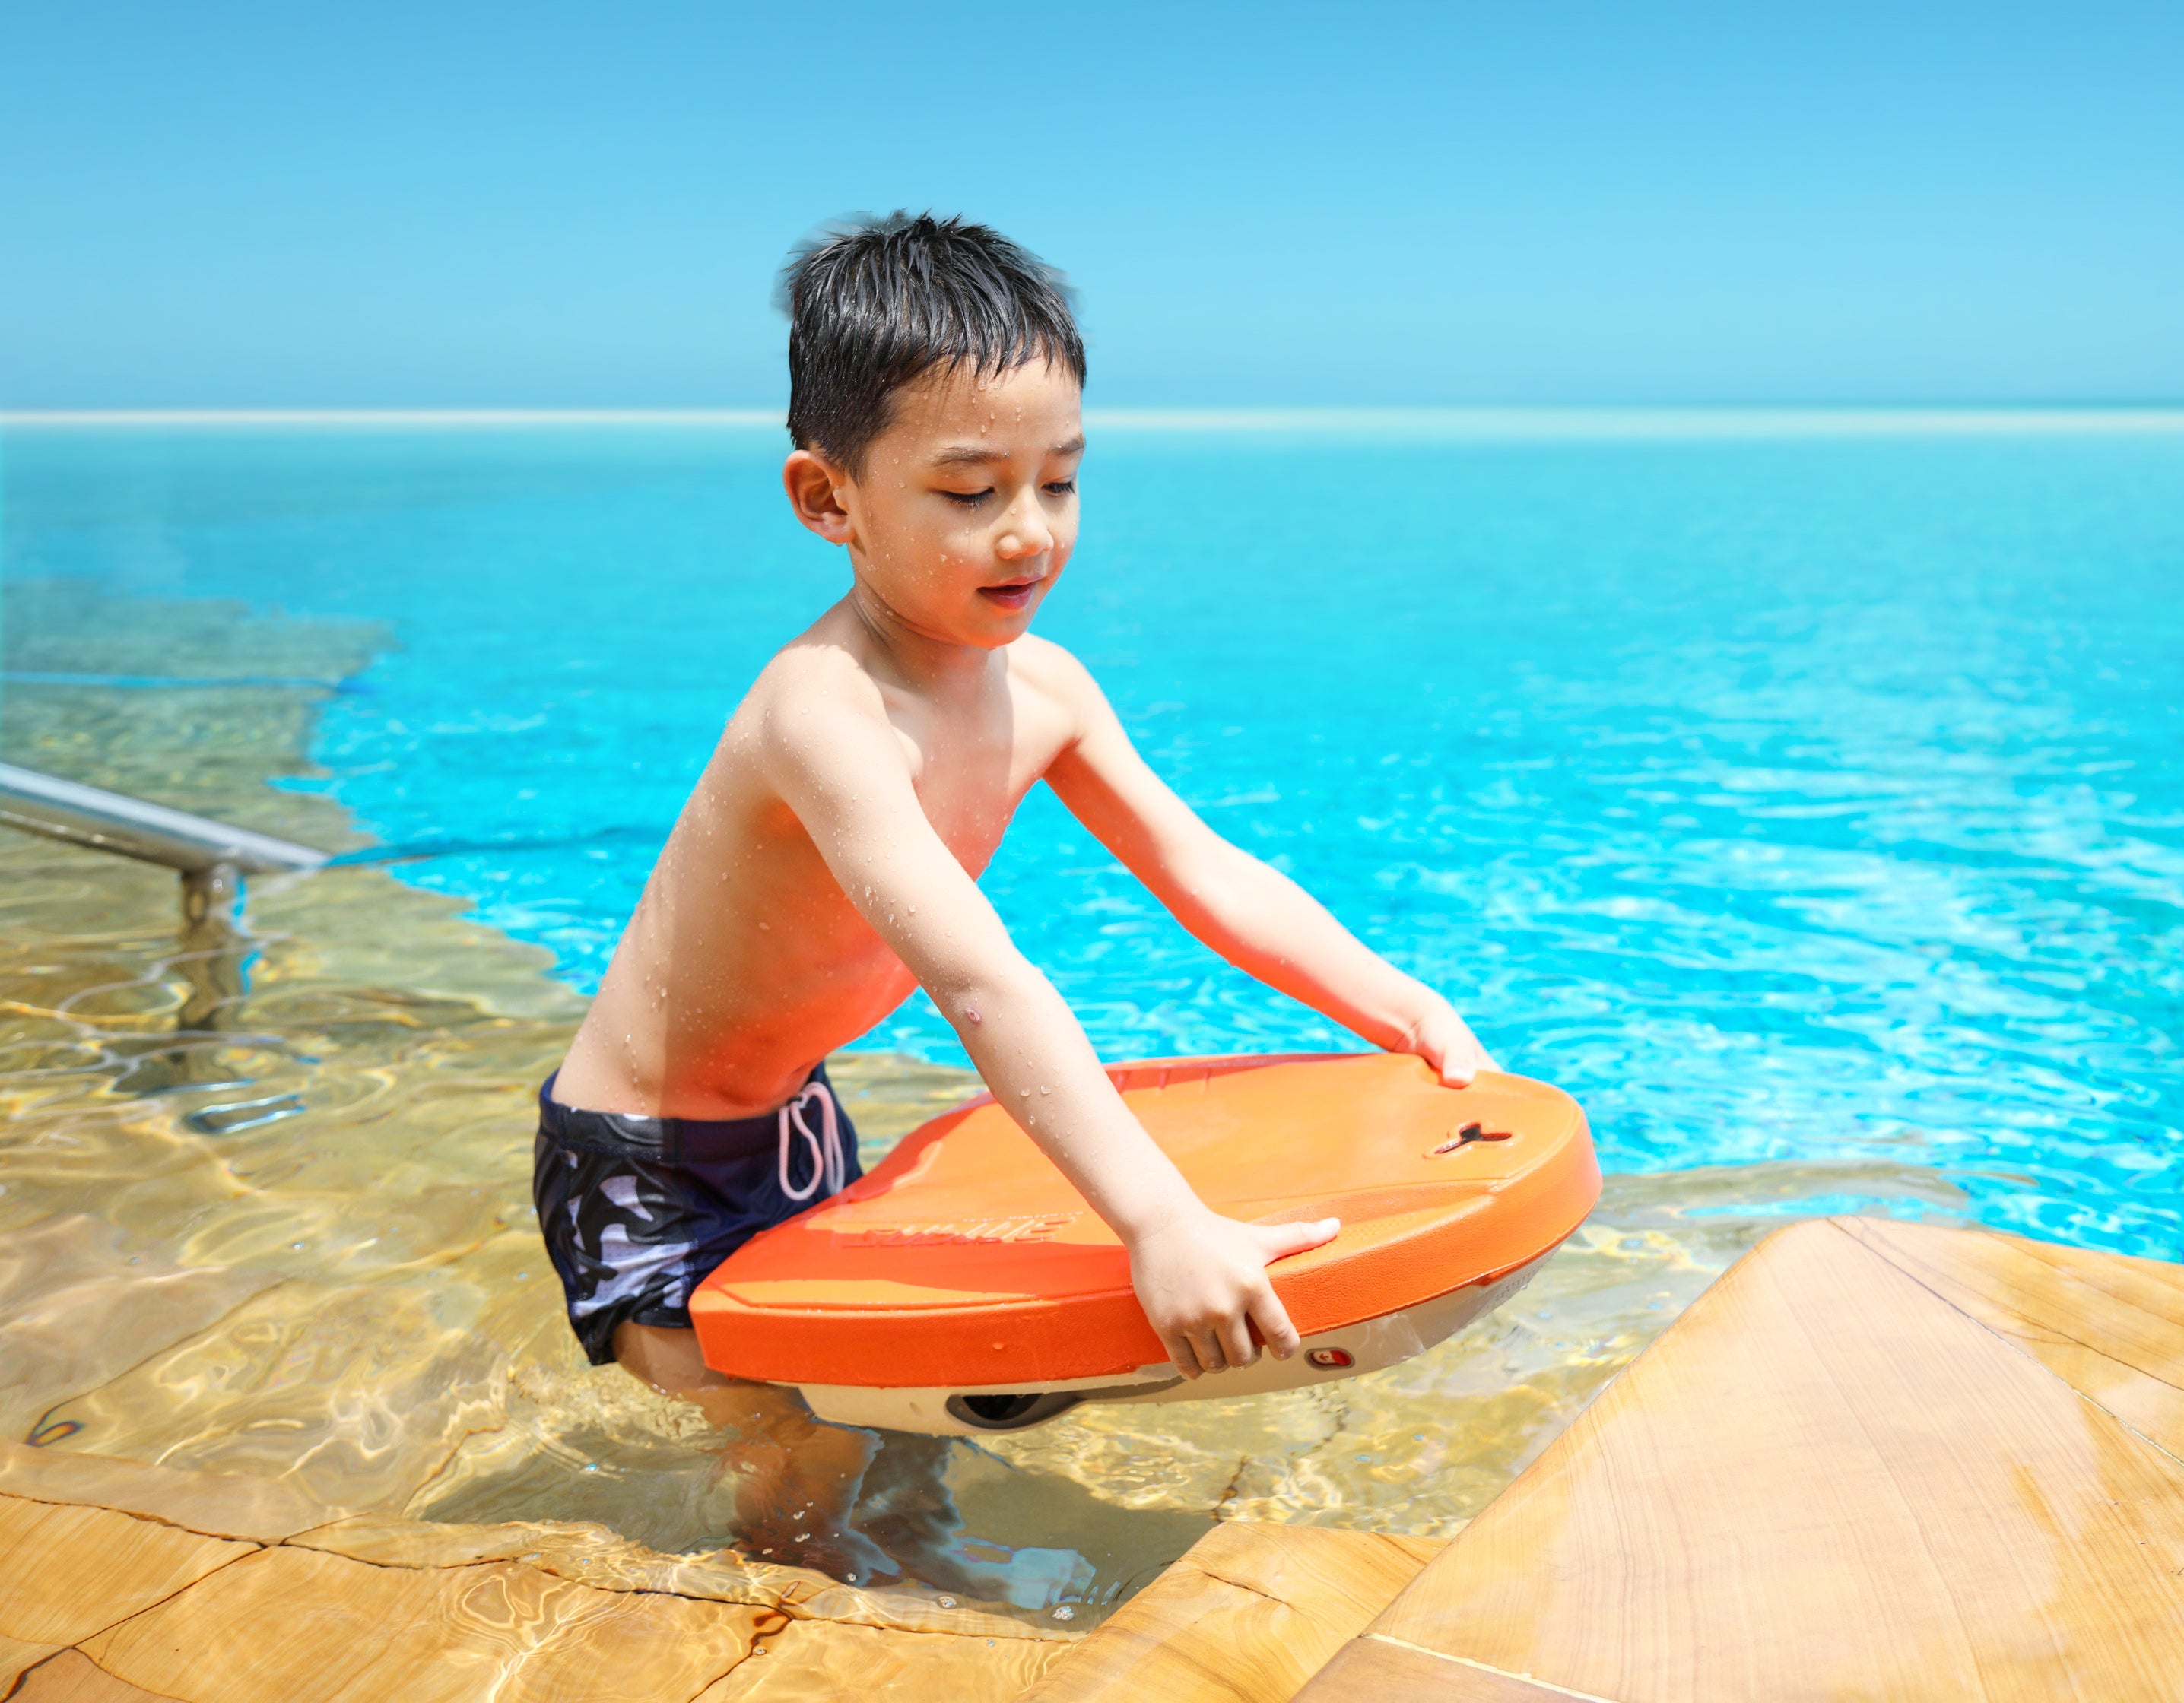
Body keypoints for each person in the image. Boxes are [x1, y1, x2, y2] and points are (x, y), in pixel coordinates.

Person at [531, 211, 1492, 1590]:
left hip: (796, 1117)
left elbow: (1204, 872)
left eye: (1061, 480)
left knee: (879, 1427)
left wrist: (1392, 1002)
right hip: (648, 1162)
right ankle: (774, 1647)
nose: (1027, 533)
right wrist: (1159, 1223)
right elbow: (981, 983)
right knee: (788, 1456)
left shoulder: (1042, 686)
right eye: (970, 492)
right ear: (828, 499)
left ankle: (904, 1597)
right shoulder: (826, 713)